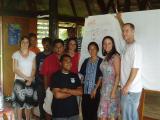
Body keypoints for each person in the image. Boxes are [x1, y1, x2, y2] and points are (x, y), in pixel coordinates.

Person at [116, 13, 143, 120]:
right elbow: (125, 27)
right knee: (128, 115)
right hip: (127, 88)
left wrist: (127, 86)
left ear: (133, 32)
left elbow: (135, 68)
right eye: (123, 31)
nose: (124, 33)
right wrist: (119, 19)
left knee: (129, 116)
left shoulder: (136, 47)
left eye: (127, 31)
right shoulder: (127, 45)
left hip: (131, 89)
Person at [12, 36, 37, 120]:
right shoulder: (16, 54)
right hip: (19, 81)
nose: (25, 44)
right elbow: (15, 69)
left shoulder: (33, 54)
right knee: (19, 104)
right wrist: (27, 78)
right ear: (20, 43)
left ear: (29, 43)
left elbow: (34, 68)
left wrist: (30, 78)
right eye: (23, 42)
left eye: (27, 42)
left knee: (29, 104)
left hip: (30, 81)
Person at [50, 54, 82, 120]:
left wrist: (67, 90)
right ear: (60, 63)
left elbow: (80, 92)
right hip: (59, 113)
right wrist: (73, 92)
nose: (69, 63)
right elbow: (58, 95)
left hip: (74, 112)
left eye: (70, 61)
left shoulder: (75, 76)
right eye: (66, 61)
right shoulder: (55, 76)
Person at [97, 36, 121, 120]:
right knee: (103, 116)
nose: (107, 45)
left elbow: (118, 75)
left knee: (111, 116)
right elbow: (104, 75)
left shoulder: (116, 56)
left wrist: (113, 91)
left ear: (113, 44)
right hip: (104, 90)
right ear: (103, 45)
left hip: (112, 90)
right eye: (105, 43)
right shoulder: (106, 57)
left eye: (109, 43)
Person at [80, 42, 103, 120]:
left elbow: (100, 77)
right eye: (90, 49)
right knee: (85, 112)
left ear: (97, 50)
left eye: (94, 48)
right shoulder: (86, 61)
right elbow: (82, 75)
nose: (92, 50)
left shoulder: (101, 61)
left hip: (95, 92)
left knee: (94, 113)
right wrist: (80, 86)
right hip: (85, 91)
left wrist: (95, 89)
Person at [35, 37, 52, 119]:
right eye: (45, 43)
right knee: (41, 101)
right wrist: (38, 80)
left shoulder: (53, 55)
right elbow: (36, 69)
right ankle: (42, 117)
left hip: (51, 83)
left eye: (48, 43)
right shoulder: (39, 56)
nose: (46, 45)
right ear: (42, 45)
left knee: (50, 101)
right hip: (40, 82)